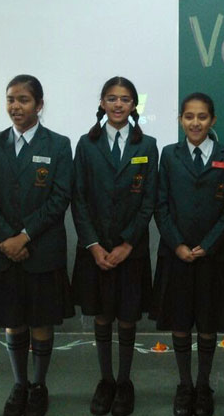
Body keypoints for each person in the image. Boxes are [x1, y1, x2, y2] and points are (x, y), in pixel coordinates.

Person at [0, 74, 74, 416]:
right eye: (10, 99)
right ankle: (19, 384)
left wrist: (25, 236)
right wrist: (7, 239)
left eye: (24, 100)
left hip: (41, 250)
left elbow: (60, 197)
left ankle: (39, 385)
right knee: (12, 321)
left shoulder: (58, 144)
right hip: (3, 252)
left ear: (39, 104)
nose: (16, 106)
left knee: (41, 321)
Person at [71, 76, 158, 416]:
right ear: (102, 103)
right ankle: (105, 381)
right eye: (111, 98)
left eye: (125, 99)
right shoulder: (86, 144)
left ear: (134, 105)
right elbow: (79, 199)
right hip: (96, 250)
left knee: (127, 317)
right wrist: (93, 245)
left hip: (130, 250)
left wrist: (128, 243)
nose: (118, 104)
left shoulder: (147, 145)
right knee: (102, 315)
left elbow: (148, 201)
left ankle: (124, 382)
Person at [151, 92, 224, 416]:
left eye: (202, 117)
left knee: (208, 324)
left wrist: (209, 244)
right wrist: (177, 244)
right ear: (180, 120)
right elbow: (161, 204)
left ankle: (203, 386)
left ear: (213, 120)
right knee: (180, 322)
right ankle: (185, 385)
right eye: (189, 116)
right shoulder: (169, 155)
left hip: (212, 255)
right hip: (176, 254)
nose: (196, 122)